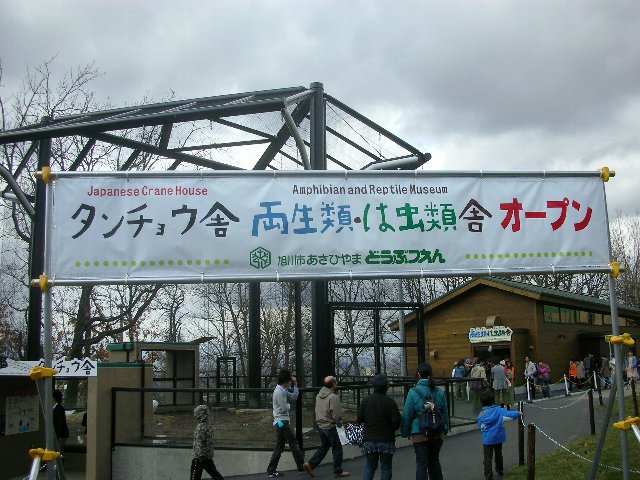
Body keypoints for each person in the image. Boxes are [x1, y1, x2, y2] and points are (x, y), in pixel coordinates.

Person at [401, 362, 449, 480]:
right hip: (437, 432)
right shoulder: (439, 391)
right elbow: (444, 412)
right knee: (434, 462)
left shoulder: (413, 392)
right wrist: (445, 428)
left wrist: (406, 432)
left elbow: (407, 414)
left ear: (418, 375)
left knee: (421, 464)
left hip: (419, 433)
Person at [357, 374, 401, 480]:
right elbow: (396, 423)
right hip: (386, 439)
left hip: (369, 439)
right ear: (386, 387)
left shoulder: (366, 400)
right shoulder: (390, 402)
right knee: (385, 467)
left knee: (370, 465)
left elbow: (360, 418)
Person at [304, 376, 350, 477]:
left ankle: (311, 464)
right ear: (333, 384)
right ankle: (338, 470)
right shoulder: (333, 397)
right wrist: (339, 424)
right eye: (335, 382)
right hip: (330, 427)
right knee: (337, 449)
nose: (336, 384)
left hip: (320, 426)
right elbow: (336, 415)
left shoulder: (318, 395)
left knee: (324, 447)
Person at [266, 369, 306, 478]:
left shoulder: (283, 390)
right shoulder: (279, 391)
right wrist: (289, 406)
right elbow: (284, 408)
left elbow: (294, 396)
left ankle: (271, 470)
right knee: (293, 443)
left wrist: (296, 384)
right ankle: (301, 466)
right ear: (286, 380)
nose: (289, 382)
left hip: (281, 422)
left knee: (279, 446)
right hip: (282, 422)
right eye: (289, 380)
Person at [478, 389, 521, 480]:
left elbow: (480, 427)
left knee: (487, 457)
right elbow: (510, 414)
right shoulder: (499, 410)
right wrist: (518, 413)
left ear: (482, 402)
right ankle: (500, 469)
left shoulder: (481, 415)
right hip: (498, 438)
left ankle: (488, 474)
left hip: (487, 439)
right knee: (498, 454)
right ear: (493, 399)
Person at [190, 405, 224, 480]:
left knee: (195, 475)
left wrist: (202, 455)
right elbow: (209, 442)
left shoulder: (201, 427)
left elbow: (203, 442)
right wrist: (208, 454)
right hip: (206, 455)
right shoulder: (207, 425)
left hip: (199, 456)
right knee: (213, 471)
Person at [52, 389, 69, 454]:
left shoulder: (58, 408)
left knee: (58, 452)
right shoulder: (56, 408)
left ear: (53, 397)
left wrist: (59, 436)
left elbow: (60, 423)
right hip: (59, 435)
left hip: (60, 436)